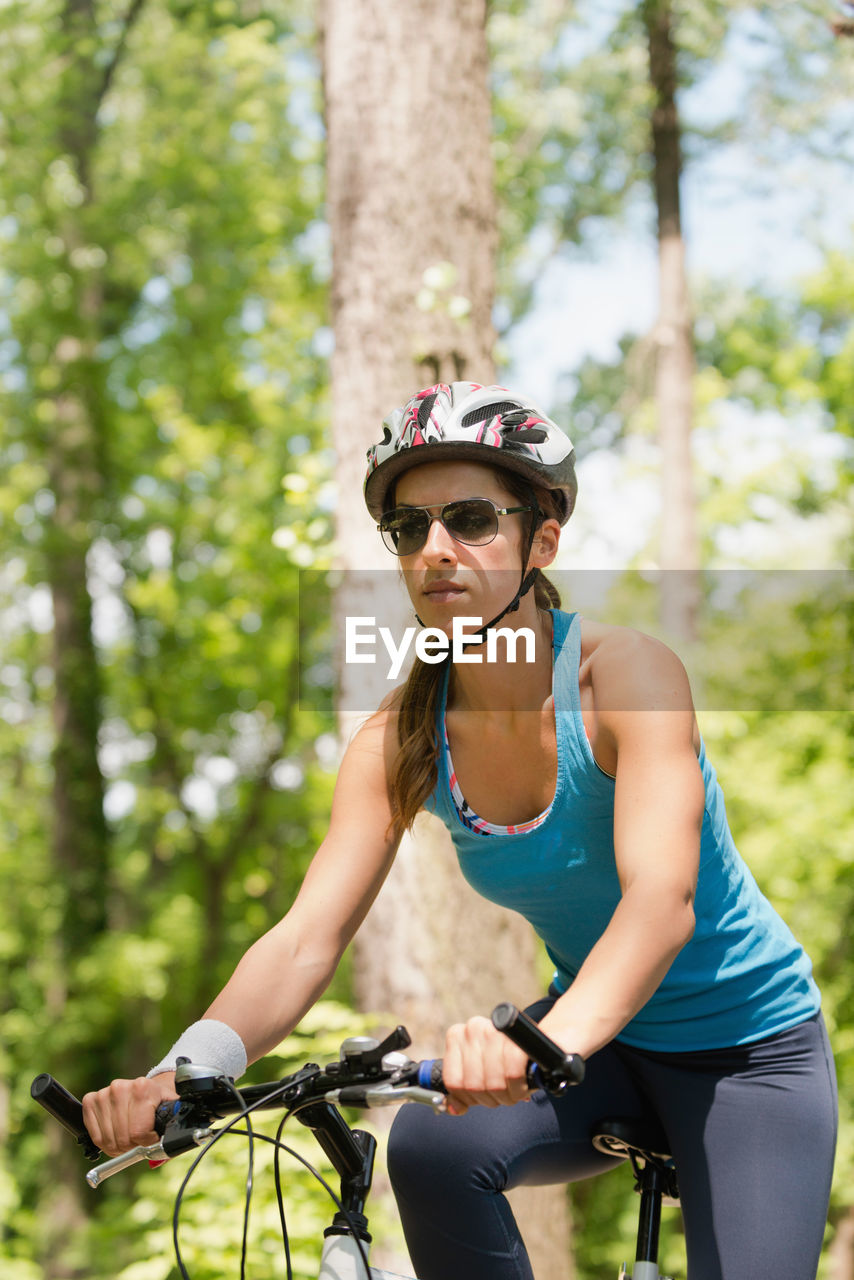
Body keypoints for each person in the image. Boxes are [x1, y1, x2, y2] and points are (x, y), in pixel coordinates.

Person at [83, 381, 837, 1280]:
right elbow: (303, 939)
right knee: (433, 1153)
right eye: (410, 528)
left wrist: (539, 1043)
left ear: (541, 539)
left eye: (472, 519)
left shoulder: (625, 678)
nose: (437, 550)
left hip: (747, 1053)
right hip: (607, 1048)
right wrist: (185, 1069)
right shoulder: (399, 738)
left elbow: (661, 904)